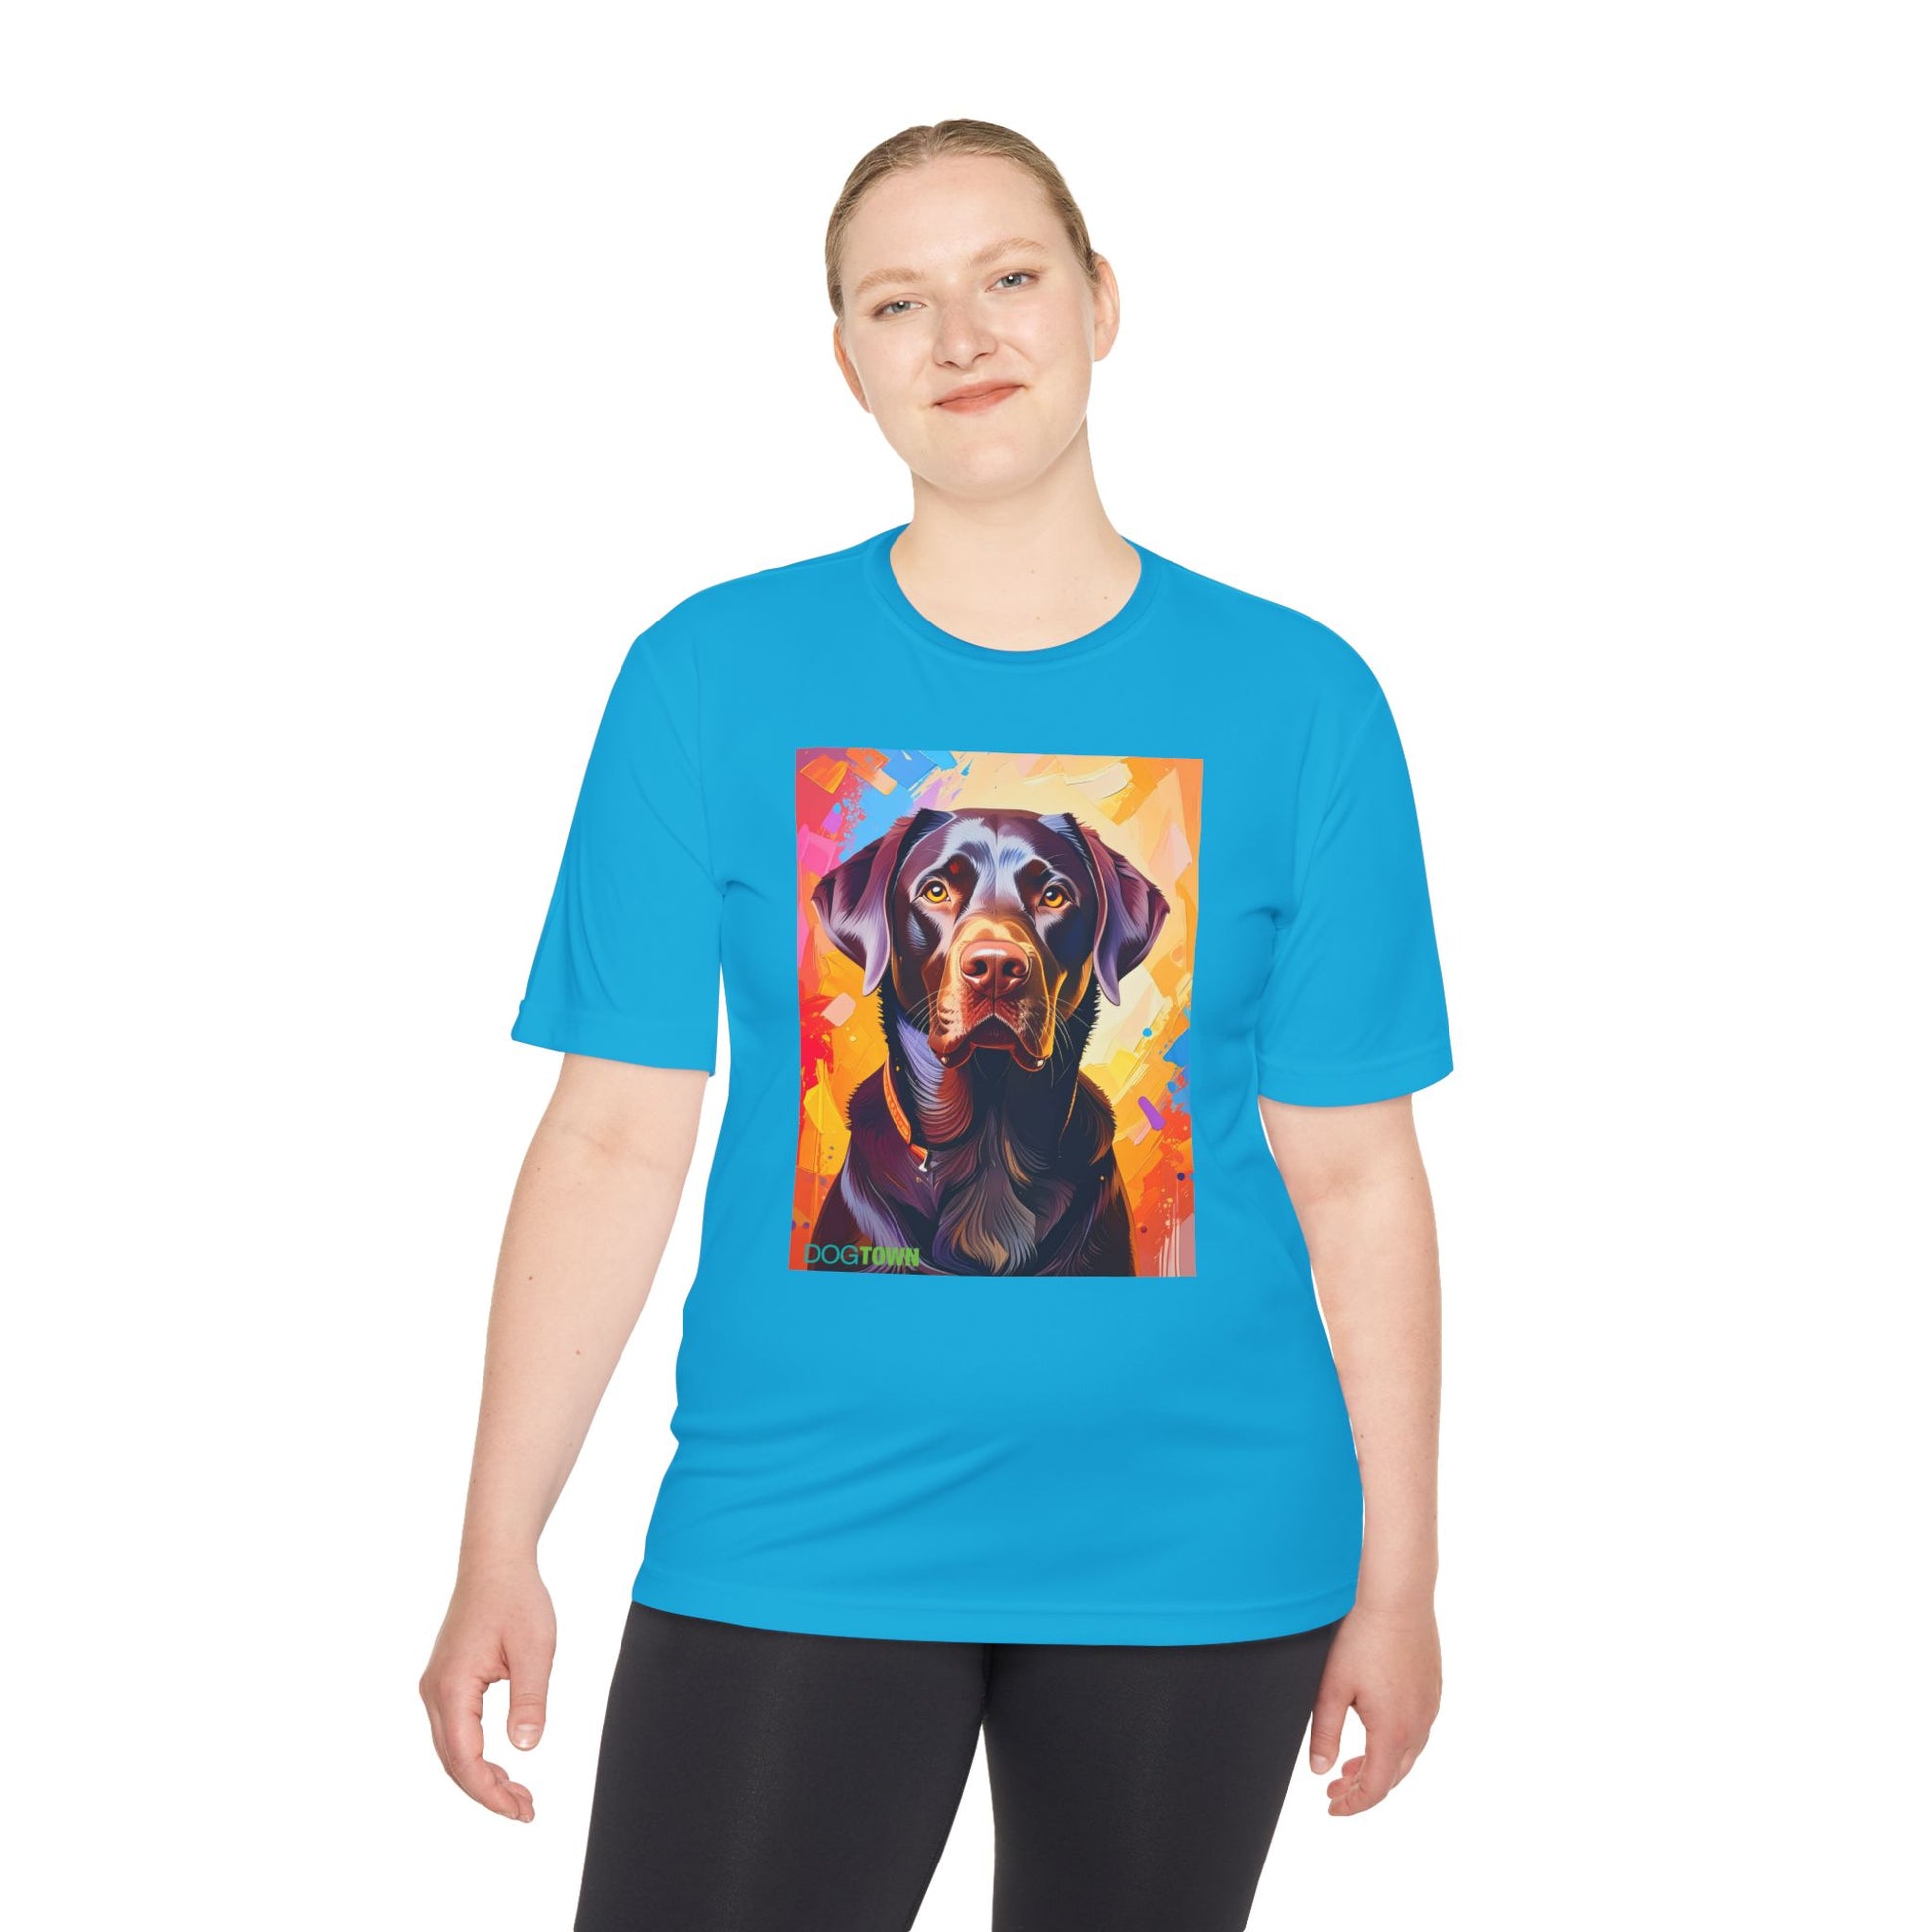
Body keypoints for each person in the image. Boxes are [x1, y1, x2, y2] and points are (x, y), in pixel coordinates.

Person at [421, 118, 1453, 1932]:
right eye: (897, 301)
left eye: (1009, 277)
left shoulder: (1300, 700)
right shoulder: (708, 674)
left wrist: (1399, 1577)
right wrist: (497, 1537)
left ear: (1100, 305)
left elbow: (1356, 1173)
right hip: (795, 1518)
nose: (961, 335)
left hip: (1202, 1536)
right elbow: (613, 1133)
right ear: (847, 361)